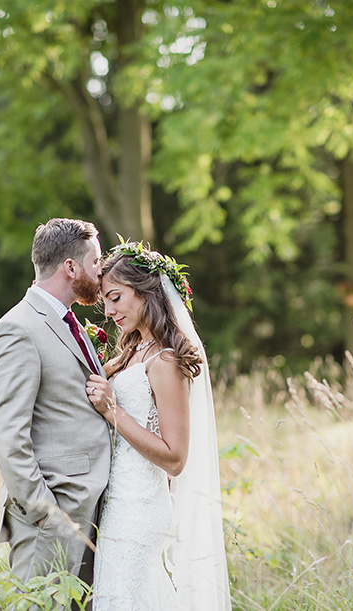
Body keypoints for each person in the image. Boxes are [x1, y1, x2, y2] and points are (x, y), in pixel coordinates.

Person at [85, 241, 232, 611]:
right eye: (106, 300)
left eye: (116, 298)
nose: (109, 310)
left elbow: (175, 457)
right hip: (119, 500)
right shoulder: (135, 350)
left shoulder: (165, 360)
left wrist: (113, 410)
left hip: (140, 505)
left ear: (146, 291)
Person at [0, 218, 112, 592]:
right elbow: (8, 433)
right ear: (70, 267)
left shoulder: (69, 323)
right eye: (95, 261)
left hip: (91, 509)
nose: (100, 270)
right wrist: (45, 512)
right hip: (54, 518)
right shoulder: (18, 329)